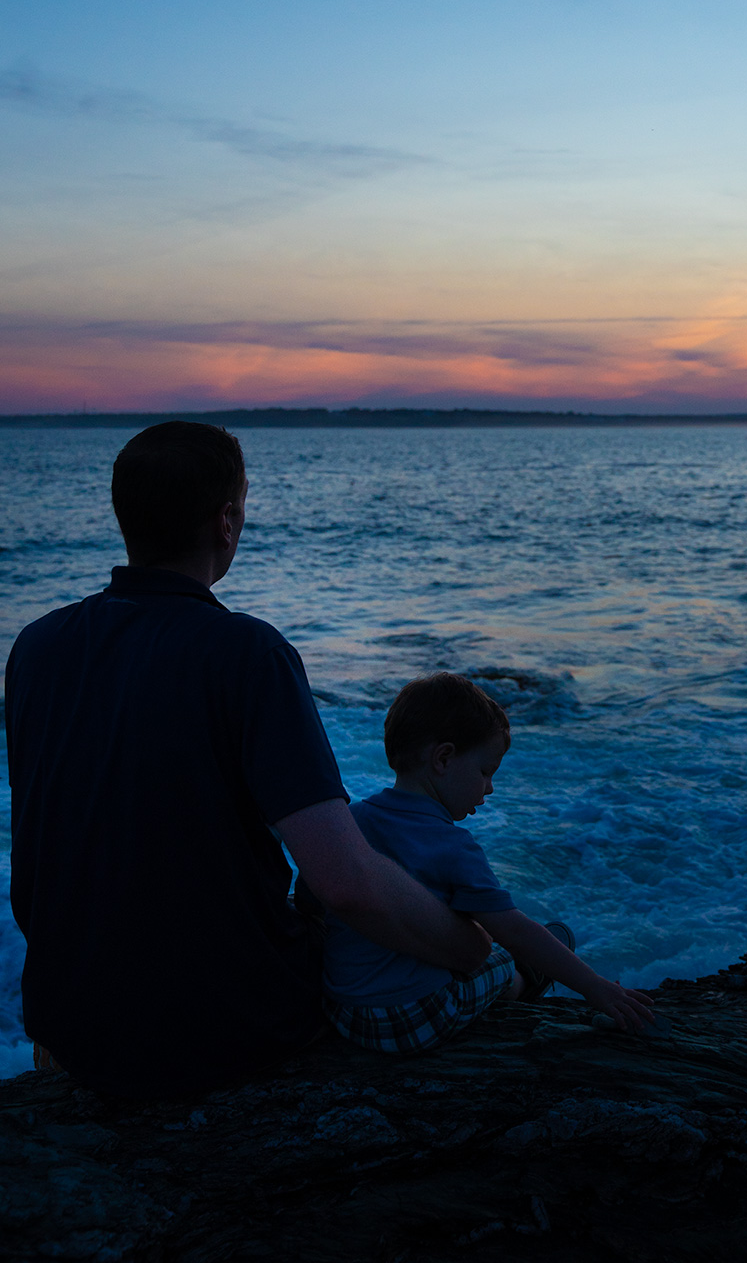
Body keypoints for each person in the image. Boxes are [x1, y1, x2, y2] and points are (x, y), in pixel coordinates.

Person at [4, 421, 491, 1100]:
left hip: (70, 1020)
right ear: (227, 520)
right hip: (227, 1026)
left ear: (126, 517)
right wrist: (469, 949)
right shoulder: (247, 654)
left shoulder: (35, 648)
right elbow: (344, 883)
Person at [321, 672, 654, 1052]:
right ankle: (527, 983)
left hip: (345, 1011)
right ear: (444, 758)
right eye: (485, 771)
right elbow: (513, 928)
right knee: (498, 957)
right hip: (410, 1019)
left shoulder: (353, 821)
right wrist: (595, 987)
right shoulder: (451, 845)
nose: (490, 788)